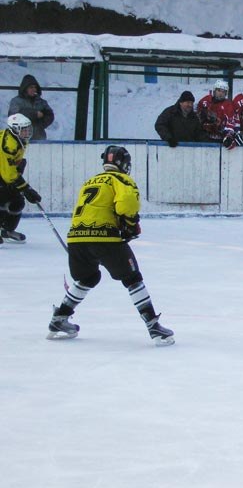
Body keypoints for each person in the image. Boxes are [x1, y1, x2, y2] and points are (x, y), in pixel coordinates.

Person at [46, 145, 175, 346]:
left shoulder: (90, 181)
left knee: (88, 277)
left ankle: (60, 318)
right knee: (132, 278)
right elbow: (126, 205)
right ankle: (153, 326)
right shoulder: (122, 179)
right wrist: (131, 225)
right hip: (105, 237)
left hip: (77, 238)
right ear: (123, 163)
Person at [0, 114, 41, 246]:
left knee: (17, 202)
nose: (27, 132)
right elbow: (9, 175)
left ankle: (7, 231)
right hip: (4, 174)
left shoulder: (19, 139)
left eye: (28, 129)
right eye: (24, 129)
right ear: (15, 129)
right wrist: (26, 188)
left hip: (4, 172)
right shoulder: (8, 145)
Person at [7, 74, 55, 141]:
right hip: (19, 140)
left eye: (35, 87)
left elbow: (50, 115)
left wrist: (39, 125)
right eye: (31, 87)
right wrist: (34, 114)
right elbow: (13, 116)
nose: (34, 89)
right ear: (25, 88)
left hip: (39, 138)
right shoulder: (16, 101)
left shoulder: (41, 102)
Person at [197, 79, 236, 144]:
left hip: (220, 138)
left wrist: (228, 136)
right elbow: (196, 116)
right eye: (219, 90)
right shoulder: (205, 100)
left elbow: (230, 124)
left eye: (223, 92)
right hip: (204, 136)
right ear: (214, 91)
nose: (221, 93)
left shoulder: (228, 105)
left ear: (226, 93)